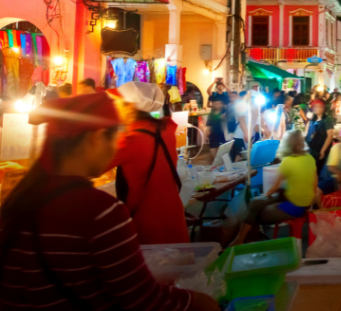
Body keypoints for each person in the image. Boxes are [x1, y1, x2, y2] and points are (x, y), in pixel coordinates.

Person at [0, 93, 217, 310]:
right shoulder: (100, 211)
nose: (117, 147)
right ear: (96, 137)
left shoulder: (19, 201)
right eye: (117, 138)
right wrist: (200, 302)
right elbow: (142, 299)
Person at [106, 81, 187, 244]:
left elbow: (89, 168)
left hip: (146, 226)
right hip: (174, 217)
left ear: (129, 107)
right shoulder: (166, 129)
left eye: (117, 103)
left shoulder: (129, 141)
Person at [232, 130, 317, 246]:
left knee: (255, 209)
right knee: (255, 204)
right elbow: (314, 184)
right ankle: (244, 239)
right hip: (303, 203)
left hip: (293, 206)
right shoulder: (310, 158)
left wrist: (264, 197)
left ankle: (241, 240)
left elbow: (274, 188)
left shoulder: (287, 161)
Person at [306, 99, 335, 172]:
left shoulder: (327, 119)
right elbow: (309, 134)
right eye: (315, 107)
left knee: (320, 170)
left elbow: (330, 136)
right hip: (313, 149)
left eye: (319, 106)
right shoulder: (312, 120)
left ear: (323, 108)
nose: (316, 108)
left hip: (322, 149)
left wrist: (323, 150)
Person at [205, 96, 227, 161]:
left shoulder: (225, 112)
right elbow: (208, 125)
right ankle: (215, 165)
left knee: (221, 154)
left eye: (220, 103)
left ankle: (220, 167)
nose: (218, 105)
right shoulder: (211, 114)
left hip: (222, 135)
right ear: (213, 105)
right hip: (213, 135)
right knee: (213, 154)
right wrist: (206, 135)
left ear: (222, 104)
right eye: (216, 104)